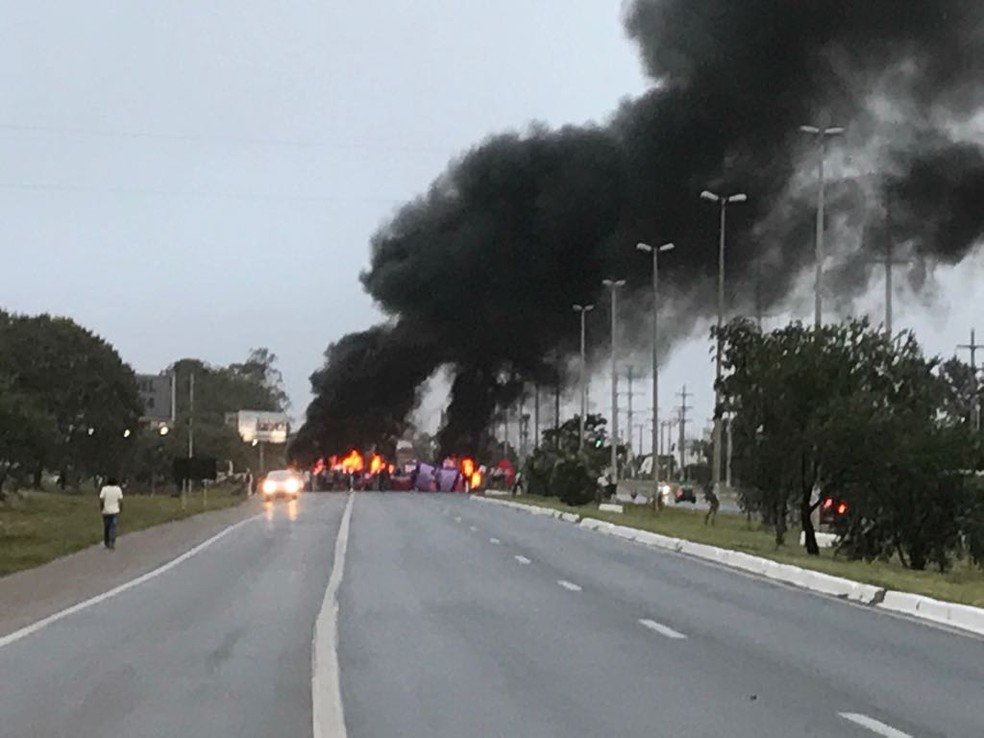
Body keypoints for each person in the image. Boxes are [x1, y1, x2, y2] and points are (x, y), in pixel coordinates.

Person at [99, 477, 124, 549]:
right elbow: (120, 500)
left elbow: (101, 499)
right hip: (115, 511)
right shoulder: (118, 489)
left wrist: (101, 508)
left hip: (106, 511)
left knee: (106, 527)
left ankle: (106, 543)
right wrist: (121, 508)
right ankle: (112, 541)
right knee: (113, 527)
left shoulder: (104, 489)